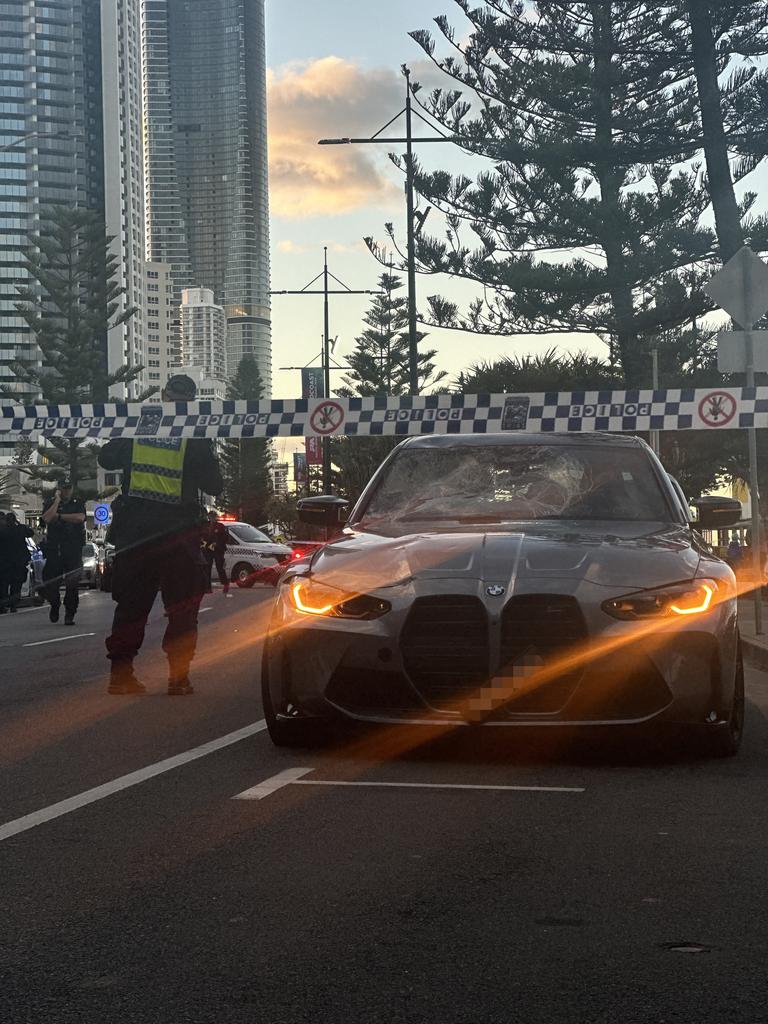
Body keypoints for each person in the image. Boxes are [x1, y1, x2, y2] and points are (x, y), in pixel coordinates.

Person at [97, 374, 224, 696]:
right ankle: (178, 678)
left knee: (131, 608)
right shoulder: (193, 433)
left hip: (136, 535)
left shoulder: (141, 425)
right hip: (178, 536)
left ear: (165, 396)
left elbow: (106, 457)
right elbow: (215, 486)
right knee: (182, 609)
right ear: (191, 401)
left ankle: (121, 675)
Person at [40, 481, 87, 625]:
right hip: (55, 549)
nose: (66, 491)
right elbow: (47, 518)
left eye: (69, 488)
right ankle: (54, 604)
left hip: (73, 549)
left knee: (72, 584)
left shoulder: (77, 503)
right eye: (63, 489)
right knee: (50, 583)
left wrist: (60, 517)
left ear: (72, 489)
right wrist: (57, 501)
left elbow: (80, 517)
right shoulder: (50, 503)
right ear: (59, 489)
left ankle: (70, 614)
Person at [0, 512, 34, 613]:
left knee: (3, 585)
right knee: (16, 585)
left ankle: (3, 605)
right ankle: (13, 605)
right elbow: (30, 532)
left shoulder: (2, 530)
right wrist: (19, 524)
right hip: (18, 563)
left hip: (5, 563)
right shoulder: (20, 529)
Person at [203, 511, 231, 597]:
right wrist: (205, 544)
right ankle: (208, 588)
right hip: (208, 550)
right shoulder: (206, 526)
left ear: (216, 517)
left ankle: (225, 584)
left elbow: (225, 537)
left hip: (218, 550)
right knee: (207, 568)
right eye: (210, 516)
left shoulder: (220, 526)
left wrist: (217, 543)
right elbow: (202, 536)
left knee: (220, 567)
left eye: (213, 516)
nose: (212, 518)